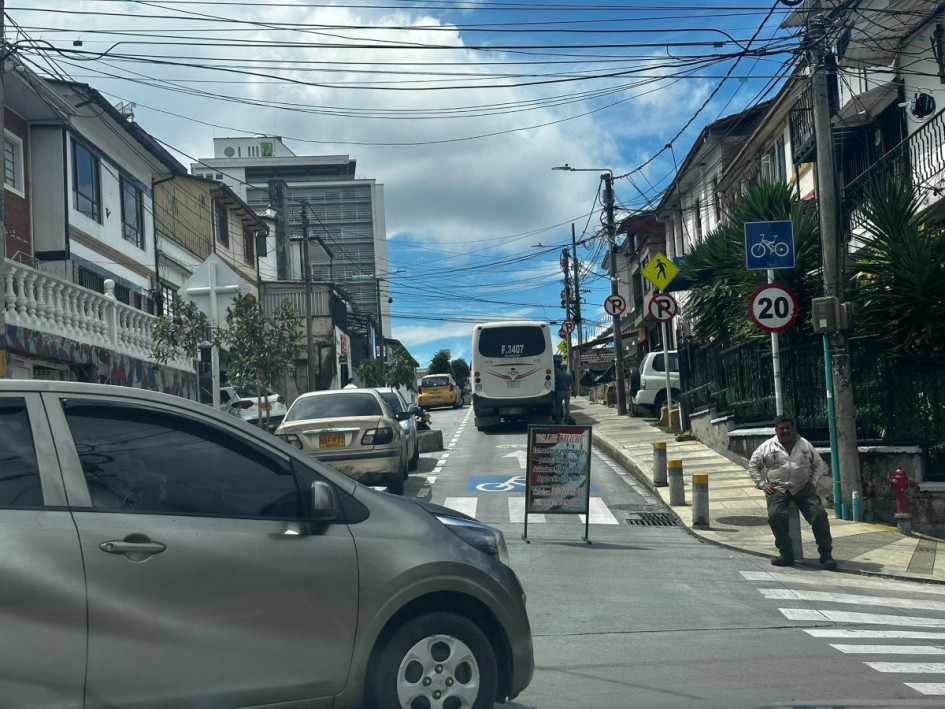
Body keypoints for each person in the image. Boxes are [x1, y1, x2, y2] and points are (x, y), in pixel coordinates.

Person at [748, 415, 837, 570]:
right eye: (781, 428)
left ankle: (826, 555)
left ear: (793, 429)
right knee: (776, 516)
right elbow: (753, 466)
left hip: (803, 488)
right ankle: (786, 554)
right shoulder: (767, 447)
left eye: (788, 427)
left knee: (820, 515)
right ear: (776, 430)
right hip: (778, 488)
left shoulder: (805, 445)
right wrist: (762, 484)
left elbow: (818, 464)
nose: (785, 431)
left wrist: (814, 481)